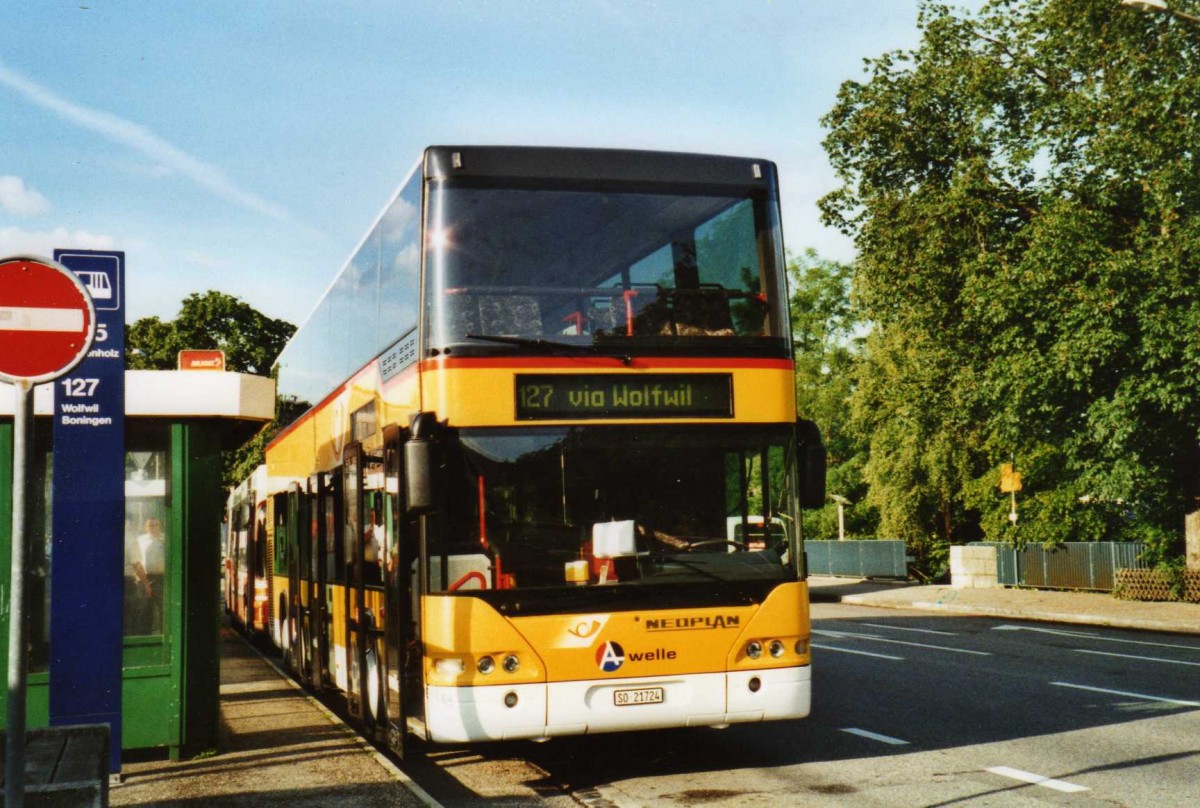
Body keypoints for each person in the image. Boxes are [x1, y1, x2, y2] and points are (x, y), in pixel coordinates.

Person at [129, 518, 166, 634]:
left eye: (156, 525)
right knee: (145, 611)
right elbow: (136, 561)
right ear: (146, 527)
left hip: (162, 578)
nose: (154, 527)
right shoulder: (140, 540)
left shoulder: (165, 539)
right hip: (145, 578)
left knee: (164, 611)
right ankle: (146, 637)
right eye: (151, 525)